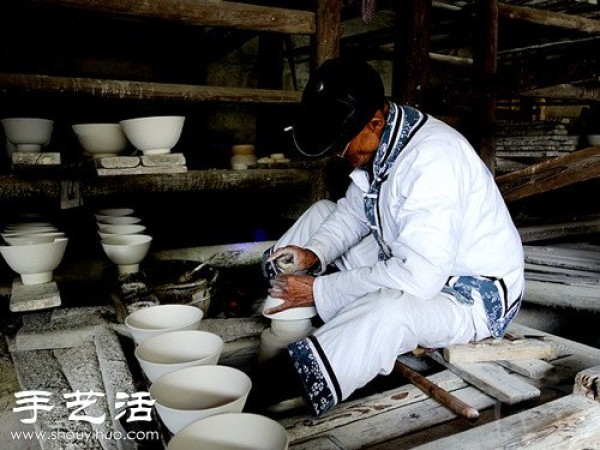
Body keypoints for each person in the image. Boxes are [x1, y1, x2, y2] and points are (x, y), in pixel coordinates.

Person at [260, 56, 525, 417]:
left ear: (374, 122)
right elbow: (353, 213)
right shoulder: (383, 143)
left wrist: (320, 291)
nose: (340, 154)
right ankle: (282, 302)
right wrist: (314, 255)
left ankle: (286, 391)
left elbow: (419, 278)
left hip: (465, 294)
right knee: (323, 214)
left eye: (342, 144)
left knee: (388, 310)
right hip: (417, 260)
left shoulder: (432, 161)